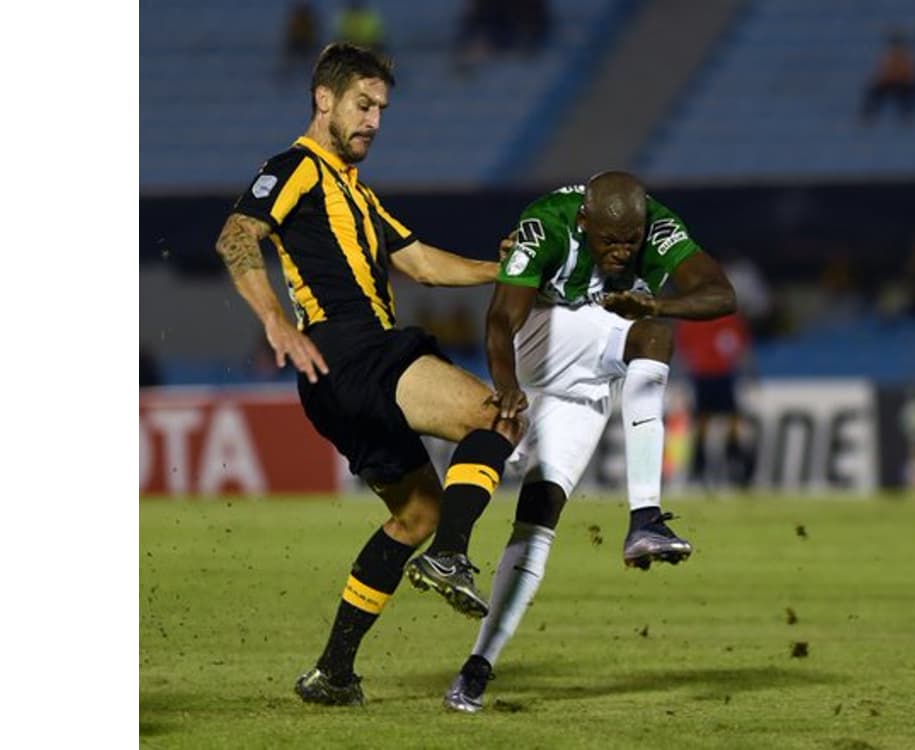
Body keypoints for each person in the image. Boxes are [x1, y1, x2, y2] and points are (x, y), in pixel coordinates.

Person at [214, 43, 524, 708]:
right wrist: (274, 319)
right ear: (323, 100)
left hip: (332, 383)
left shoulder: (358, 196)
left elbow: (421, 264)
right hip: (352, 350)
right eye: (363, 104)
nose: (374, 120)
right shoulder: (295, 167)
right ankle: (452, 556)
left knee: (415, 515)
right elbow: (237, 235)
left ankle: (333, 673)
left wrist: (504, 271)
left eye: (382, 108)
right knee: (495, 414)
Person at [416, 171, 737, 713]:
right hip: (542, 347)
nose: (620, 251)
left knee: (539, 515)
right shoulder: (548, 224)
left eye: (630, 240)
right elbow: (499, 320)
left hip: (587, 387)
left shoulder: (654, 225)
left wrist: (659, 304)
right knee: (651, 339)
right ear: (585, 221)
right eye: (608, 240)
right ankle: (645, 516)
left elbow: (720, 294)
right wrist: (508, 385)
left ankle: (476, 668)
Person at [677, 312, 754, 491]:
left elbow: (684, 352)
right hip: (709, 376)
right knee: (710, 422)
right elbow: (741, 349)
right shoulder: (722, 320)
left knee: (720, 422)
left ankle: (720, 468)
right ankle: (715, 468)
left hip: (717, 376)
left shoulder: (696, 319)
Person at [862, 32, 915, 122]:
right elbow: (881, 73)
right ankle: (869, 115)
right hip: (889, 82)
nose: (896, 47)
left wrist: (901, 77)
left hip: (903, 83)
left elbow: (911, 75)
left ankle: (907, 115)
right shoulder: (887, 57)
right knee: (875, 91)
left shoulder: (907, 57)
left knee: (909, 93)